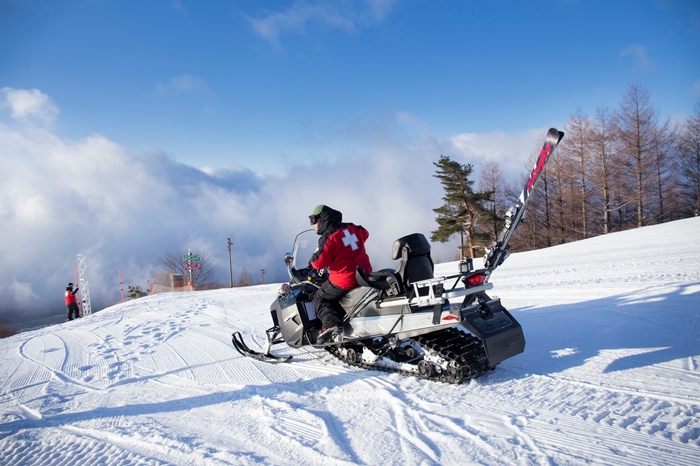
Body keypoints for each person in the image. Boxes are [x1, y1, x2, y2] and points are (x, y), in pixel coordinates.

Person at [308, 205, 372, 344]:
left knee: (320, 298)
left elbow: (319, 262)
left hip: (345, 279)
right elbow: (365, 233)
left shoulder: (328, 236)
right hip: (364, 274)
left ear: (322, 218)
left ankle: (330, 325)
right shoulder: (353, 228)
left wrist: (311, 262)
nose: (312, 224)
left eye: (313, 220)